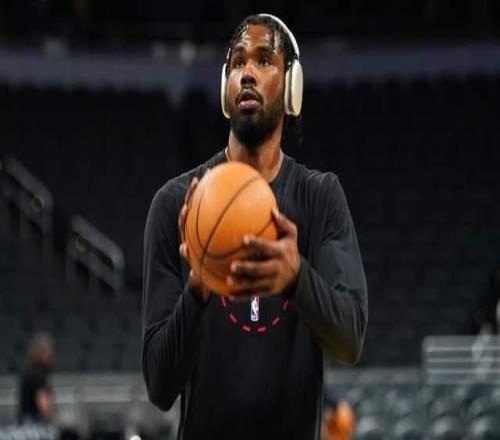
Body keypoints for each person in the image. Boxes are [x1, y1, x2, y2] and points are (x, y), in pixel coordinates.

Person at [142, 13, 368, 440]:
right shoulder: (176, 204)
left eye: (265, 60)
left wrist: (296, 277)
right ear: (225, 89)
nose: (247, 73)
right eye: (238, 62)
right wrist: (198, 288)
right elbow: (159, 386)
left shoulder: (320, 197)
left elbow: (350, 340)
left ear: (292, 86)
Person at [18, 333, 55, 424]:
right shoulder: (38, 374)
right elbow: (43, 403)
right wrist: (49, 419)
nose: (50, 354)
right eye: (46, 351)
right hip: (35, 423)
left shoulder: (29, 371)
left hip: (25, 421)